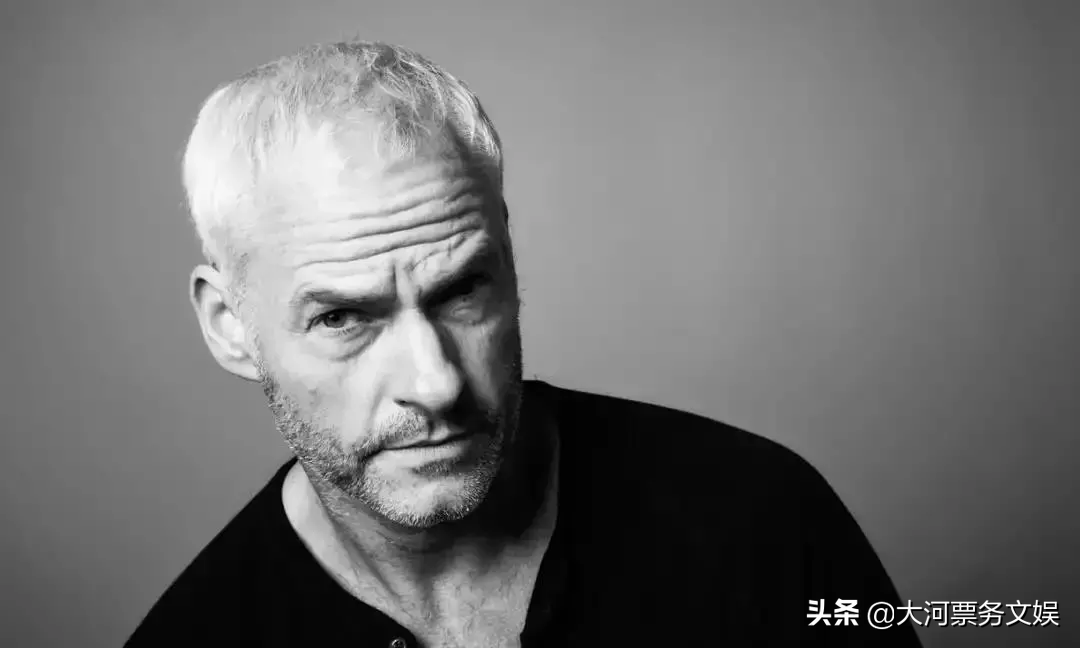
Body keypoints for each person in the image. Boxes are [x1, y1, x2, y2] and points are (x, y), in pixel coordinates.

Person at [125, 40, 922, 647]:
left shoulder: (761, 524)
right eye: (343, 319)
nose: (435, 383)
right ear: (229, 326)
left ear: (507, 256)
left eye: (462, 290)